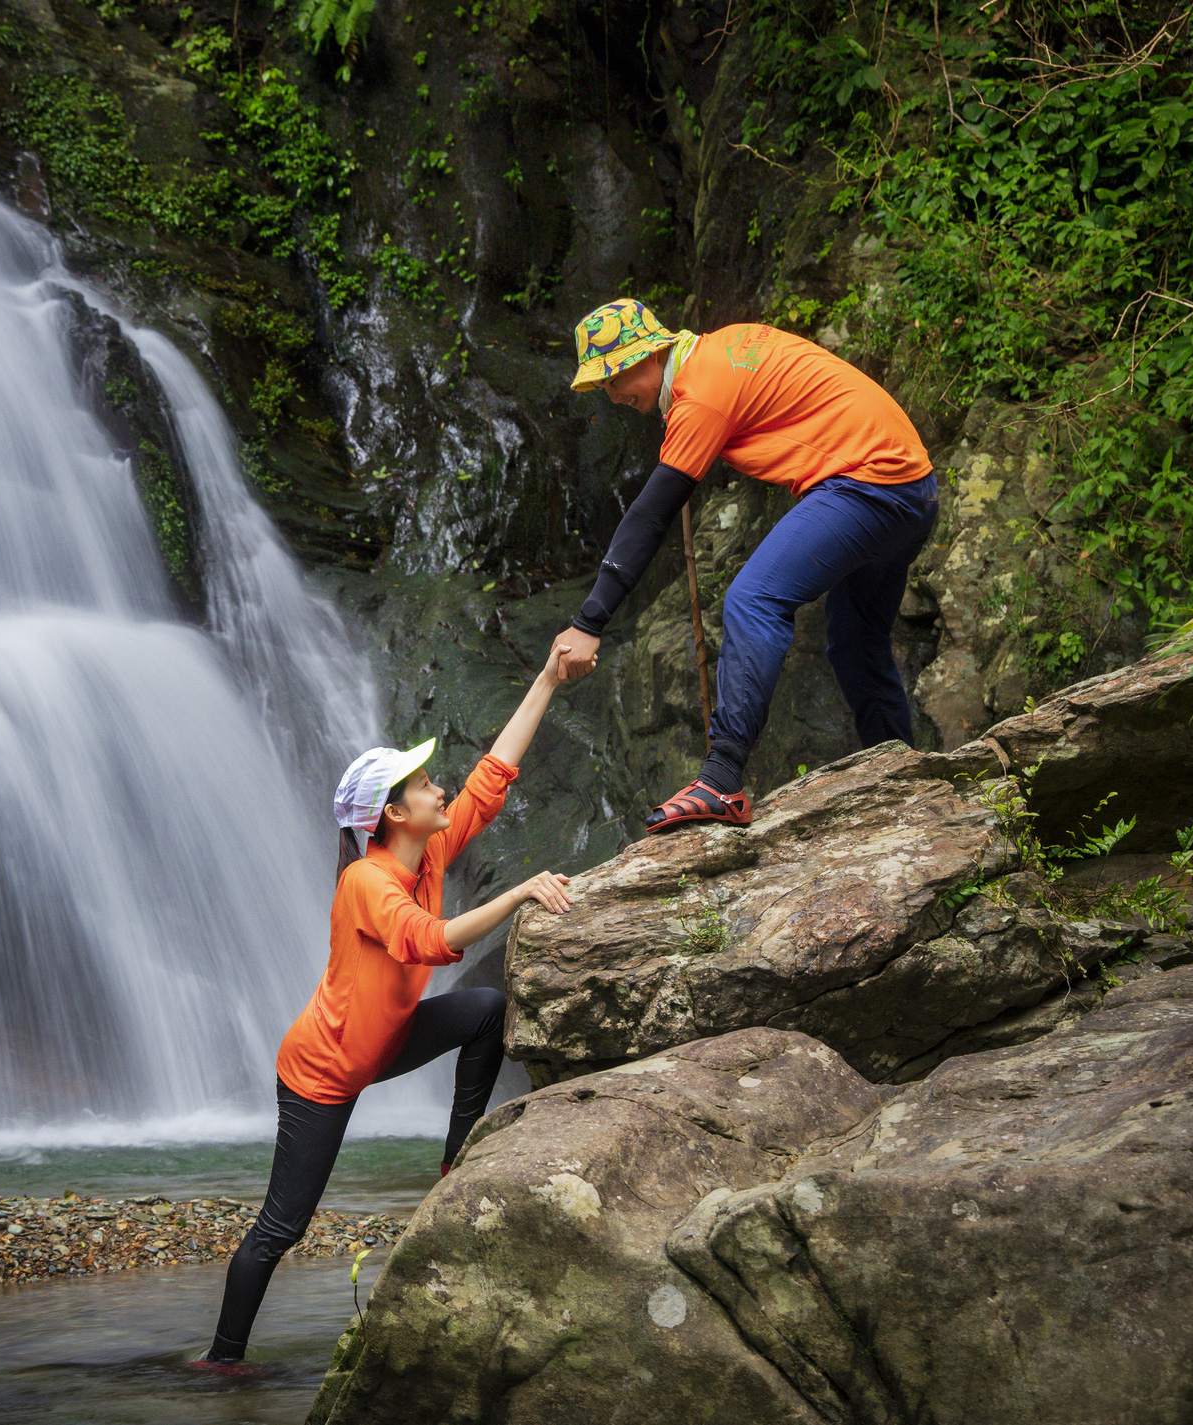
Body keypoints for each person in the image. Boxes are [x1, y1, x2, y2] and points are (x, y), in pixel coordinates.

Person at [201, 642, 577, 1367]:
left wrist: (547, 678)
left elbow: (492, 779)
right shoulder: (367, 884)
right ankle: (221, 1361)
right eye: (427, 784)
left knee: (484, 1011)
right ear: (394, 813)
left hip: (388, 1037)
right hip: (321, 1073)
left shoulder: (426, 851)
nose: (442, 790)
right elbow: (429, 941)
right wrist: (520, 889)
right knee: (283, 1227)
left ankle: (453, 1165)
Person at [552, 297, 938, 832]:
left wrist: (589, 622)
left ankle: (722, 779)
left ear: (648, 357)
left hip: (872, 484)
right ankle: (903, 780)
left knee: (754, 599)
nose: (613, 395)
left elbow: (650, 514)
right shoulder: (723, 348)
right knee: (854, 641)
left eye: (614, 379)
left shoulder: (701, 394)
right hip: (913, 488)